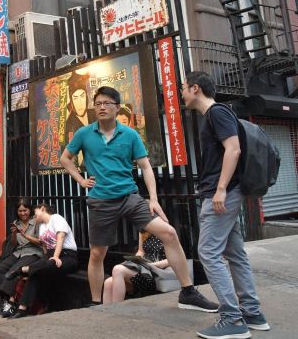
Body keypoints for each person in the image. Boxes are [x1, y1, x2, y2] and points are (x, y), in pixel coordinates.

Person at [60, 86, 217, 312]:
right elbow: (65, 158)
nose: (102, 107)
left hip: (129, 197)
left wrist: (153, 199)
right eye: (98, 103)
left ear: (117, 107)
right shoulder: (84, 134)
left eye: (107, 103)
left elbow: (145, 166)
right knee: (96, 253)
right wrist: (81, 180)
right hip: (100, 201)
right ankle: (95, 304)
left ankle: (188, 292)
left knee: (169, 233)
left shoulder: (130, 135)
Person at [182, 71, 269, 339]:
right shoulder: (215, 115)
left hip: (221, 194)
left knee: (208, 252)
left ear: (195, 88)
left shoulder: (216, 113)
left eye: (184, 88)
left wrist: (220, 189)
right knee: (235, 254)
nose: (182, 93)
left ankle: (232, 318)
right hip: (226, 192)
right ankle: (252, 313)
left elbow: (233, 149)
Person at [5, 204, 77, 318]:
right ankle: (22, 309)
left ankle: (21, 270)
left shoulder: (56, 218)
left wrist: (56, 256)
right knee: (35, 273)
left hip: (66, 256)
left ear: (42, 209)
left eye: (35, 213)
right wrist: (45, 259)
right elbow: (44, 245)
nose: (34, 217)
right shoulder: (42, 225)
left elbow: (61, 238)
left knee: (50, 263)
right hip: (50, 256)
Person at [0, 198, 45, 318]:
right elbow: (14, 244)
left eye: (25, 210)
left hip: (33, 252)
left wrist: (24, 235)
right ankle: (7, 299)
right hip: (19, 252)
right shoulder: (16, 223)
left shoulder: (36, 222)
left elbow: (41, 242)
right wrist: (14, 234)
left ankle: (11, 303)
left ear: (30, 210)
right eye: (20, 211)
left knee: (14, 271)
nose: (22, 213)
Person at [103, 230, 167, 304]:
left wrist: (153, 265)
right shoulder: (143, 230)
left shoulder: (168, 231)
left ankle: (117, 308)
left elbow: (173, 260)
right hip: (144, 267)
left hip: (159, 273)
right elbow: (141, 251)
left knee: (118, 269)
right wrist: (136, 260)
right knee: (108, 282)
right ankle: (108, 310)